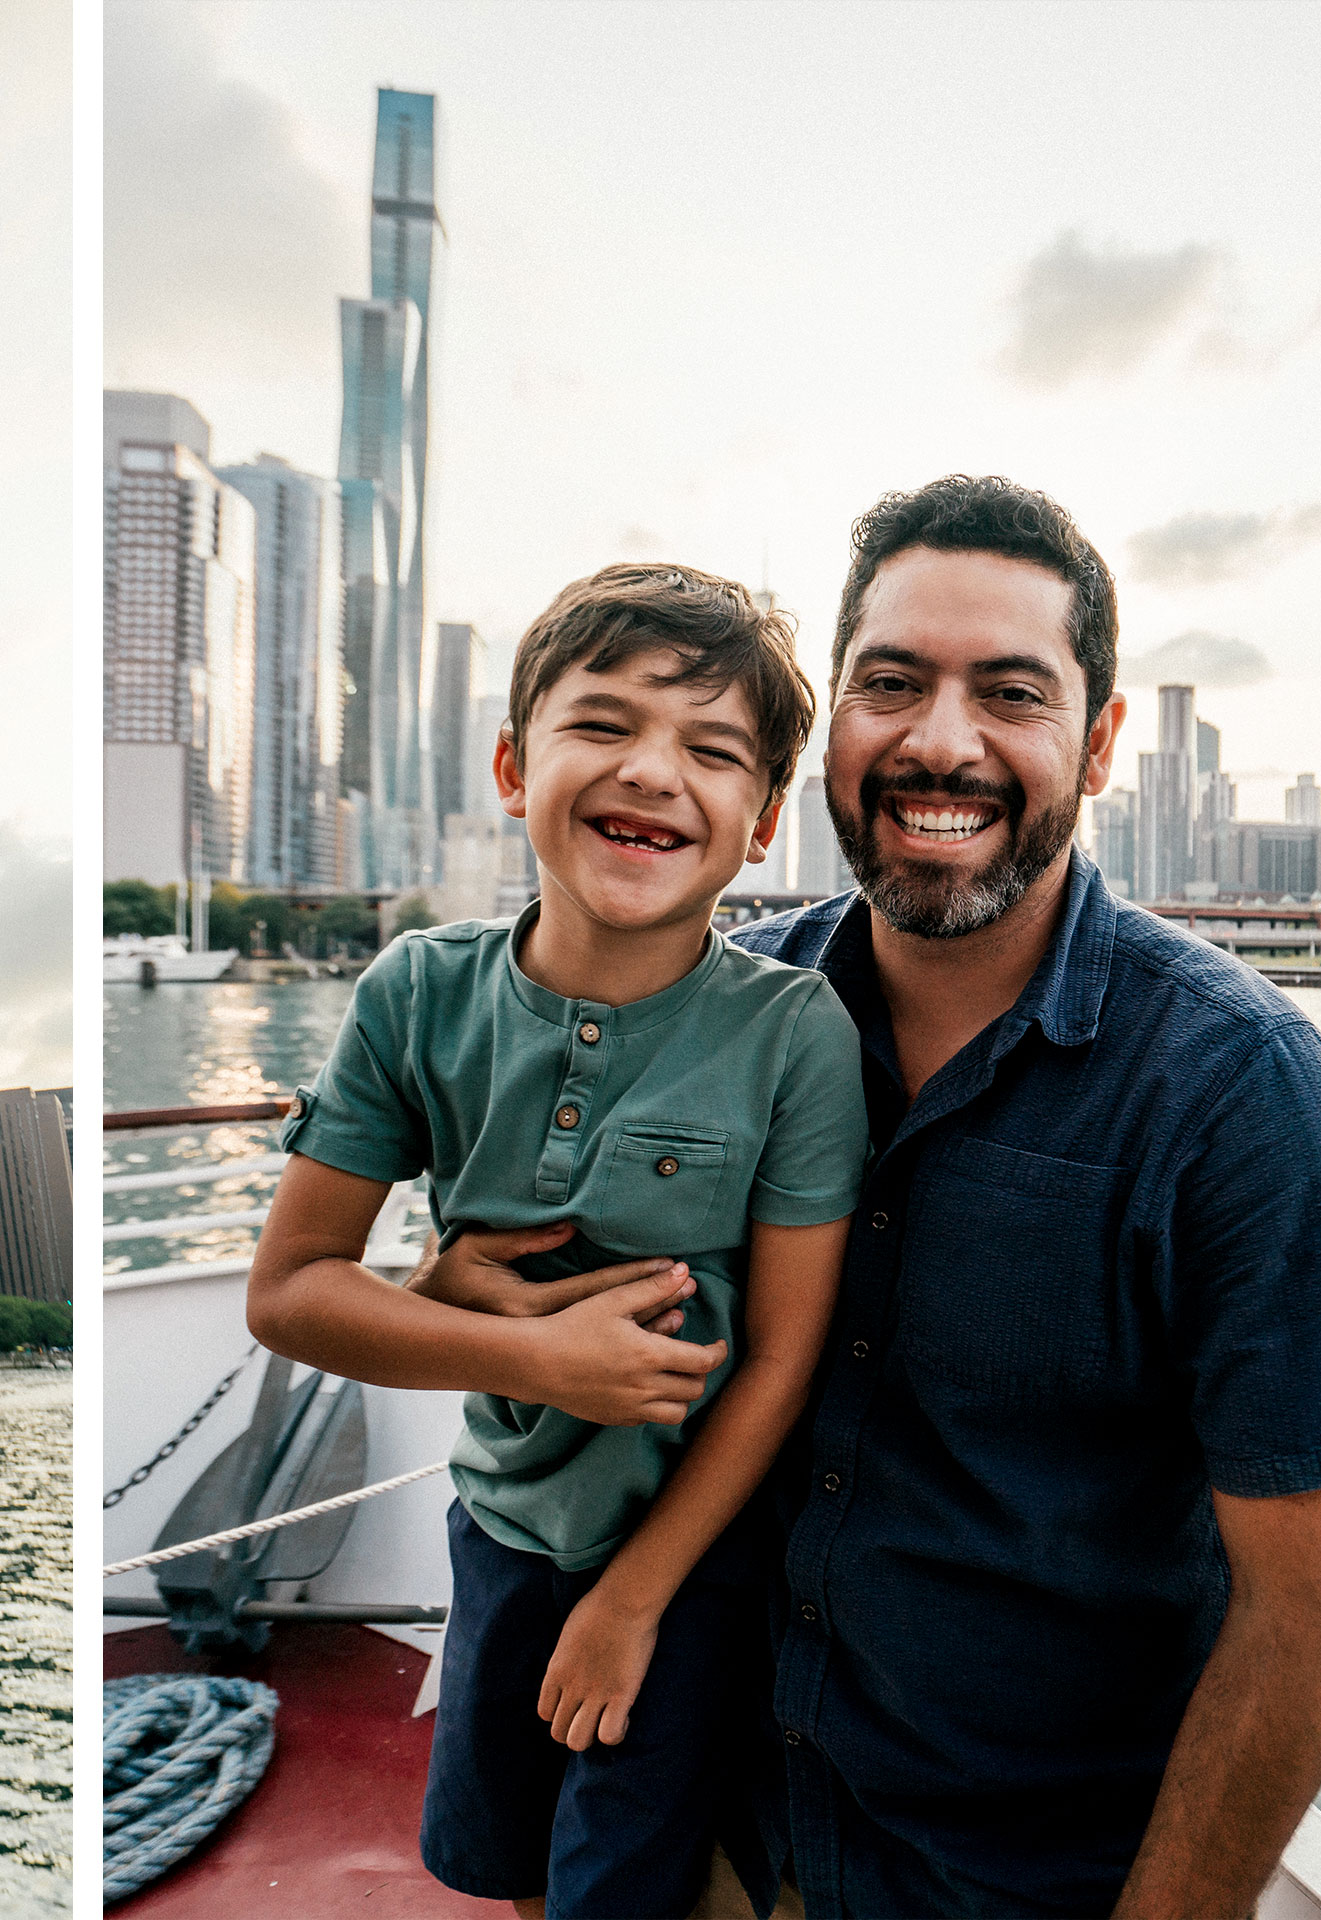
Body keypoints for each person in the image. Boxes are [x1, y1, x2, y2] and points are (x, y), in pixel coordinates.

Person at [417, 477, 1321, 1917]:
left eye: (1011, 693)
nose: (940, 742)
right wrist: (457, 1294)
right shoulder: (725, 1006)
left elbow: (1310, 1608)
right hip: (711, 1832)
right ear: (831, 724)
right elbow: (523, 1239)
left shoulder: (1238, 1093)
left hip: (1014, 1889)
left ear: (1096, 745)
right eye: (891, 684)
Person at [248, 562, 869, 1919]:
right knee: (510, 1867)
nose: (653, 772)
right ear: (513, 767)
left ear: (763, 823)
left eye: (712, 751)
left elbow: (781, 1362)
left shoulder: (793, 1035)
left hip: (688, 1565)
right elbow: (290, 1292)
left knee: (625, 1887)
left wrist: (637, 1598)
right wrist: (531, 1358)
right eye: (603, 725)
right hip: (501, 1528)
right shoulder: (418, 993)